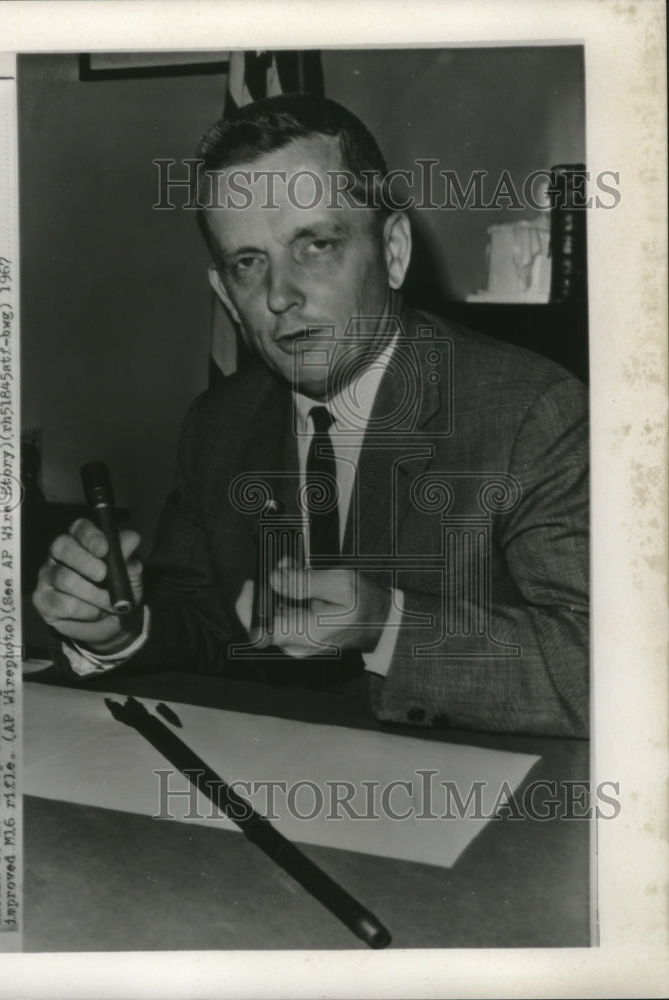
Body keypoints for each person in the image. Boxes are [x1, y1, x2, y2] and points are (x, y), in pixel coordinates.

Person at [32, 94, 588, 737]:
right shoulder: (221, 423)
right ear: (225, 295)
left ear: (395, 250)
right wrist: (119, 630)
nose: (279, 294)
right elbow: (207, 625)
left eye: (316, 245)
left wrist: (386, 625)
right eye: (248, 263)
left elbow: (608, 675)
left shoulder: (534, 415)